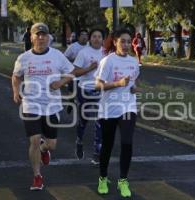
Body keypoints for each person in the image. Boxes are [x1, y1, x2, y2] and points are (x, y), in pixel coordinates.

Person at [12, 22, 75, 191]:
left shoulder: (57, 56)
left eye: (44, 35)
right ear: (31, 37)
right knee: (33, 140)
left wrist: (60, 82)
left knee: (52, 144)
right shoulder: (24, 58)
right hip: (31, 105)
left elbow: (71, 72)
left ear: (48, 37)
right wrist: (16, 92)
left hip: (52, 106)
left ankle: (44, 149)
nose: (41, 37)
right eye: (37, 35)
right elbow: (16, 76)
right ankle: (37, 176)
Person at [95, 29, 140, 198]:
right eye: (123, 41)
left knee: (127, 142)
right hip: (109, 109)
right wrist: (118, 83)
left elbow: (134, 81)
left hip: (128, 107)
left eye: (129, 41)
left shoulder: (134, 61)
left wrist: (134, 88)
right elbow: (98, 85)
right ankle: (103, 178)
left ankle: (123, 180)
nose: (126, 45)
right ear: (115, 42)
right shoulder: (107, 61)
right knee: (107, 145)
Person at [72, 29, 105, 164]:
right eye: (94, 36)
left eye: (99, 36)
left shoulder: (106, 53)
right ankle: (79, 139)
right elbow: (75, 72)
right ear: (90, 39)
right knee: (83, 120)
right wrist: (89, 68)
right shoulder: (83, 53)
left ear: (103, 39)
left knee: (100, 122)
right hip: (85, 90)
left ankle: (97, 153)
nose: (97, 39)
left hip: (101, 91)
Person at [63, 29, 89, 114]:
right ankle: (71, 101)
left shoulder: (90, 46)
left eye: (86, 35)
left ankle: (82, 110)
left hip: (86, 75)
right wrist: (75, 59)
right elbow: (64, 58)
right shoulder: (73, 47)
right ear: (78, 37)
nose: (84, 37)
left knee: (81, 95)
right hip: (74, 73)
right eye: (82, 35)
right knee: (73, 93)